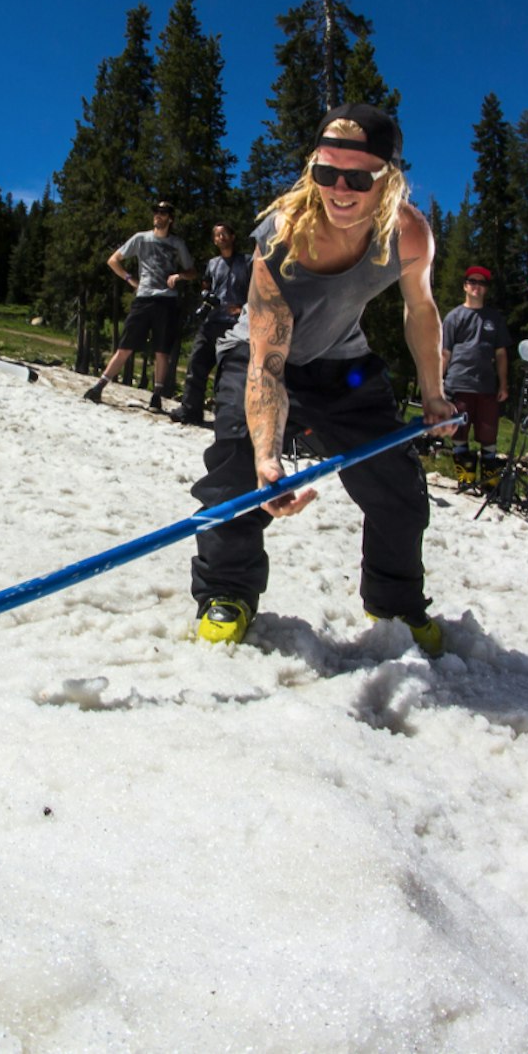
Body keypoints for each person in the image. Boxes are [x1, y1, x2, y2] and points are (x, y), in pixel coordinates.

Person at [188, 103, 457, 655]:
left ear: (389, 178)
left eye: (358, 177)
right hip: (262, 357)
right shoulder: (283, 234)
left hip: (344, 366)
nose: (340, 188)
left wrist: (434, 394)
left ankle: (394, 604)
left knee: (398, 488)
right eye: (326, 170)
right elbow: (266, 358)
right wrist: (268, 457)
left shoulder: (408, 234)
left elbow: (422, 311)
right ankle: (226, 593)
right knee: (237, 470)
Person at [82, 202, 197, 411]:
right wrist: (130, 279)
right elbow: (113, 260)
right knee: (125, 346)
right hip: (143, 299)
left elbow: (192, 271)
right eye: (156, 212)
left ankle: (157, 396)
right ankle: (99, 386)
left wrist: (179, 276)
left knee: (162, 351)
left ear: (170, 218)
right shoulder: (140, 238)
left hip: (167, 301)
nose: (157, 216)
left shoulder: (177, 243)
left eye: (162, 213)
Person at [169, 221, 249, 425]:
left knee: (227, 372)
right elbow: (205, 284)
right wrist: (206, 295)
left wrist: (243, 308)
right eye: (216, 235)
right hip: (211, 321)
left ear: (233, 237)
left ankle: (225, 416)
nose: (220, 237)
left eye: (224, 233)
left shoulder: (248, 262)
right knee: (196, 365)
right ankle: (190, 410)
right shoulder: (213, 263)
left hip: (236, 325)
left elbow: (258, 290)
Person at [440, 265, 512, 483]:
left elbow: (501, 354)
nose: (477, 287)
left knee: (488, 434)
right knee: (459, 433)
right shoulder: (453, 317)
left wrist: (503, 385)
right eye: (473, 282)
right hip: (459, 383)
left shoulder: (494, 318)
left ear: (486, 289)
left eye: (482, 283)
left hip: (486, 386)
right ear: (465, 286)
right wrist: (437, 383)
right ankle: (466, 477)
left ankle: (489, 480)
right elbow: (445, 352)